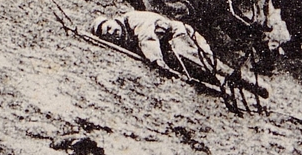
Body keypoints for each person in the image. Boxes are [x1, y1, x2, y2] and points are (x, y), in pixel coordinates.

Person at [91, 11, 269, 98]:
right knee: (202, 76)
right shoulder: (124, 38)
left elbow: (147, 37)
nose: (111, 33)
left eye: (108, 27)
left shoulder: (132, 19)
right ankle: (231, 90)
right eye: (106, 35)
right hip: (168, 49)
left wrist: (156, 61)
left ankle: (249, 83)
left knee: (201, 61)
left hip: (179, 35)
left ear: (112, 20)